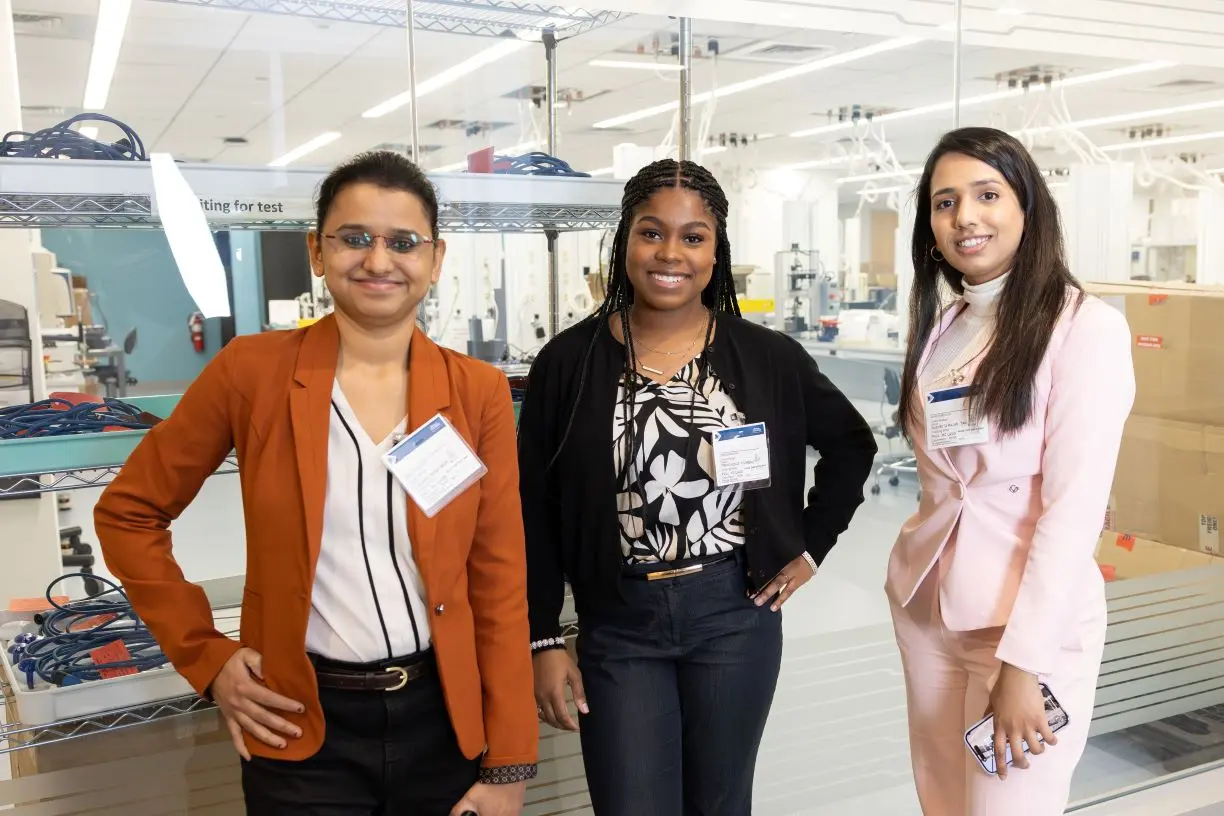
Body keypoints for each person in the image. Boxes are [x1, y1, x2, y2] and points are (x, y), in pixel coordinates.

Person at [94, 151, 537, 816]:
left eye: (403, 242)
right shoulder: (253, 372)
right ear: (316, 251)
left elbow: (498, 577)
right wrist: (206, 657)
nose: (379, 261)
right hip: (301, 724)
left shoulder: (475, 391)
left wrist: (510, 764)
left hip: (444, 721)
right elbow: (129, 513)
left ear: (436, 259)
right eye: (355, 238)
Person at [518, 159, 878, 815]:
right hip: (617, 623)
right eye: (652, 233)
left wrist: (808, 548)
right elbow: (533, 511)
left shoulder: (765, 357)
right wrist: (542, 637)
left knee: (719, 804)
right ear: (625, 240)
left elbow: (852, 446)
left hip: (732, 614)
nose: (670, 254)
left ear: (716, 252)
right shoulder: (570, 363)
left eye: (693, 237)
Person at [886, 127, 1135, 815]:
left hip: (1025, 627)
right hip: (931, 612)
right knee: (943, 802)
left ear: (1028, 206)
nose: (965, 216)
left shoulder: (1085, 328)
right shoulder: (944, 325)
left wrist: (1025, 665)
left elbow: (1074, 508)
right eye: (944, 202)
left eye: (986, 194)